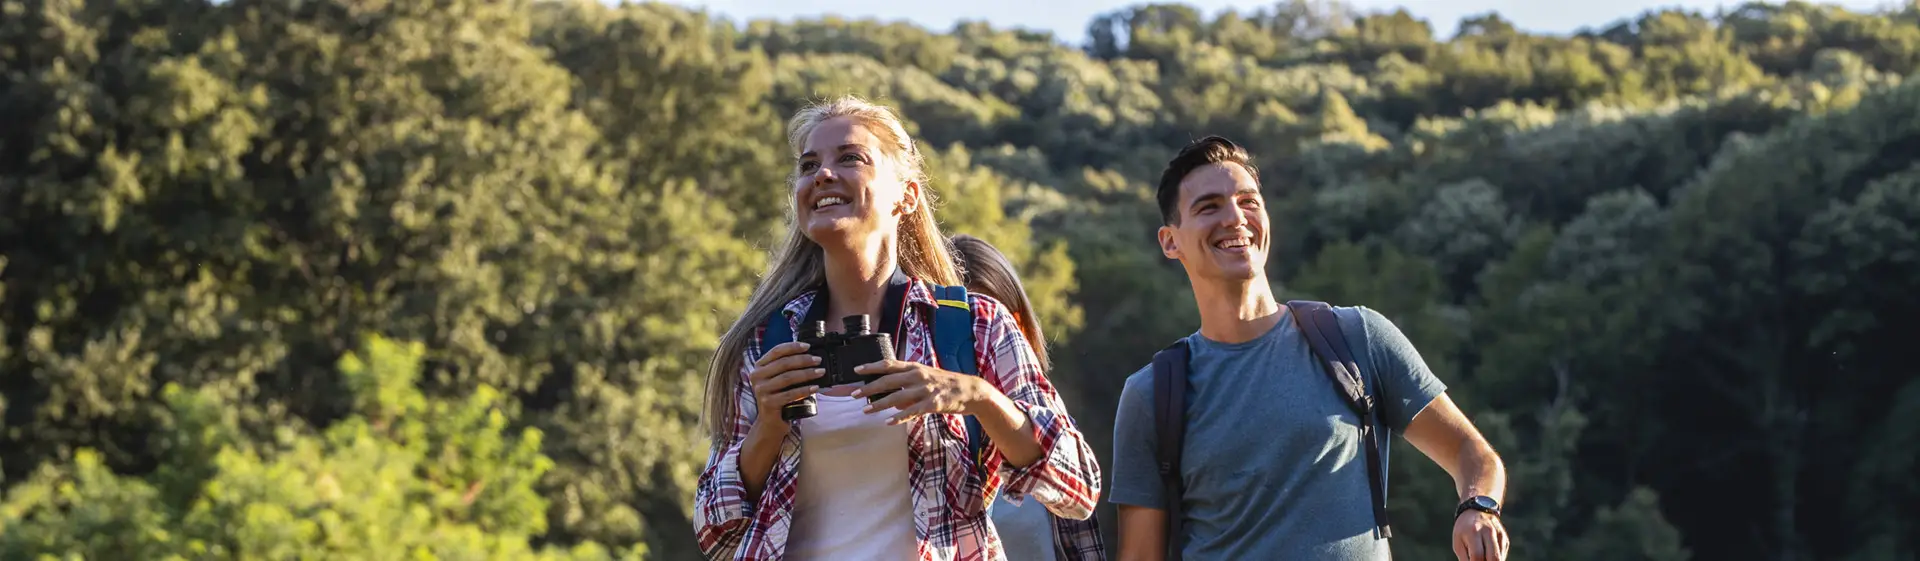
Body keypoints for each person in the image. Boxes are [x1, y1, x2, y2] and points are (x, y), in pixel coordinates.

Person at [693, 95, 1101, 561]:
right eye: (809, 165)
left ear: (905, 195)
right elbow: (714, 532)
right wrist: (768, 425)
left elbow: (1077, 487)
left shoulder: (975, 326)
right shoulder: (767, 341)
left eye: (850, 158)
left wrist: (976, 396)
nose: (823, 174)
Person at [1108, 135, 1511, 561]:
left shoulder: (1357, 338)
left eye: (1248, 201)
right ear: (1171, 242)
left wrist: (1477, 507)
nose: (1235, 218)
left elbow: (1473, 453)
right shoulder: (1153, 394)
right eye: (1209, 207)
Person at [951, 234, 1108, 561]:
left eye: (988, 319)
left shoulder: (1051, 442)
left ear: (1016, 324)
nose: (976, 345)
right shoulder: (926, 445)